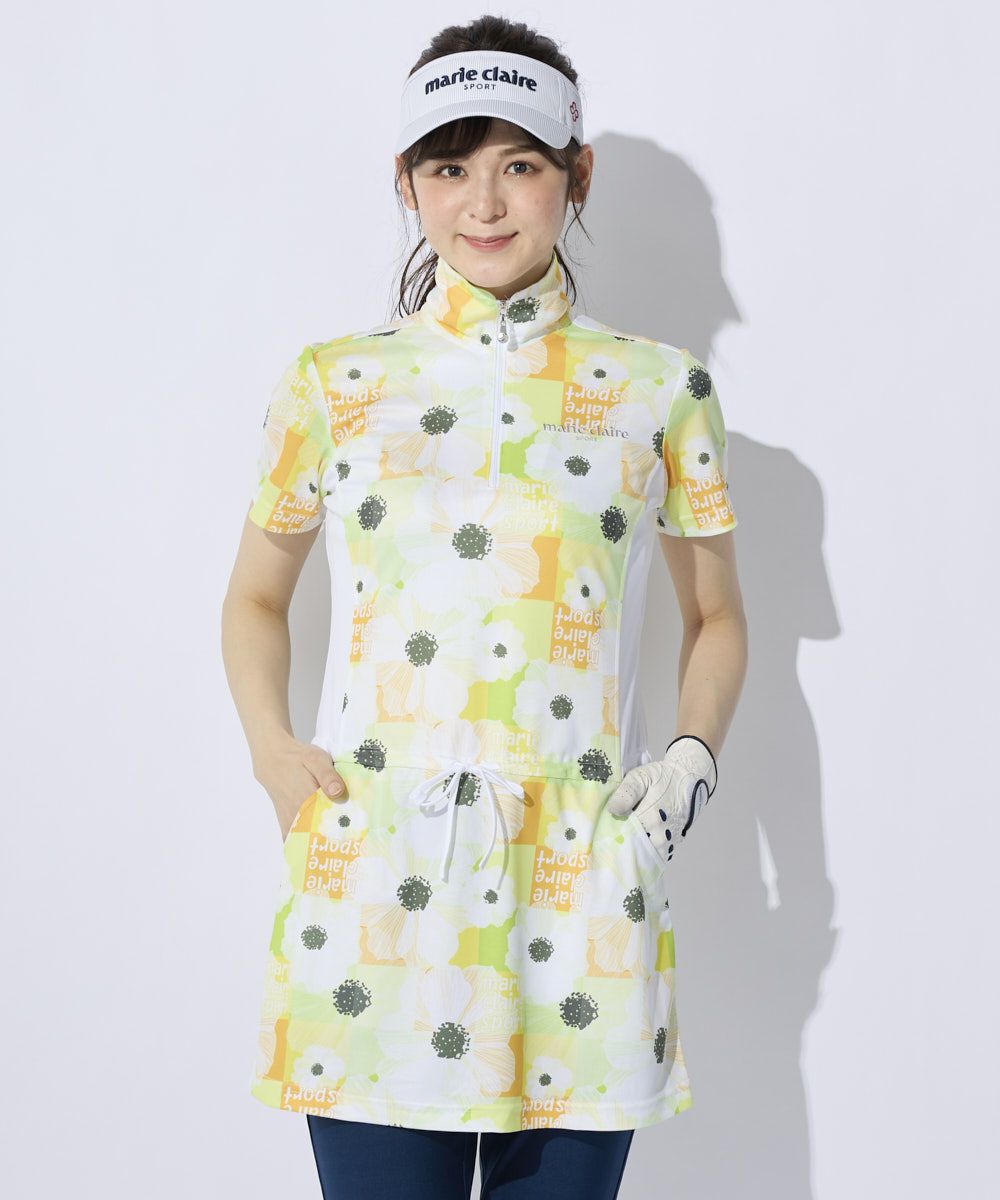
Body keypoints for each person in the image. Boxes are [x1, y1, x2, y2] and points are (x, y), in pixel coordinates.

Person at [221, 15, 748, 1199]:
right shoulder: (335, 383)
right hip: (377, 888)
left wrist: (688, 761)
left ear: (576, 174)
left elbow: (716, 614)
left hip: (581, 886)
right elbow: (255, 596)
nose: (486, 203)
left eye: (520, 163)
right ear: (406, 183)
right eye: (450, 167)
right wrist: (271, 752)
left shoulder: (658, 389)